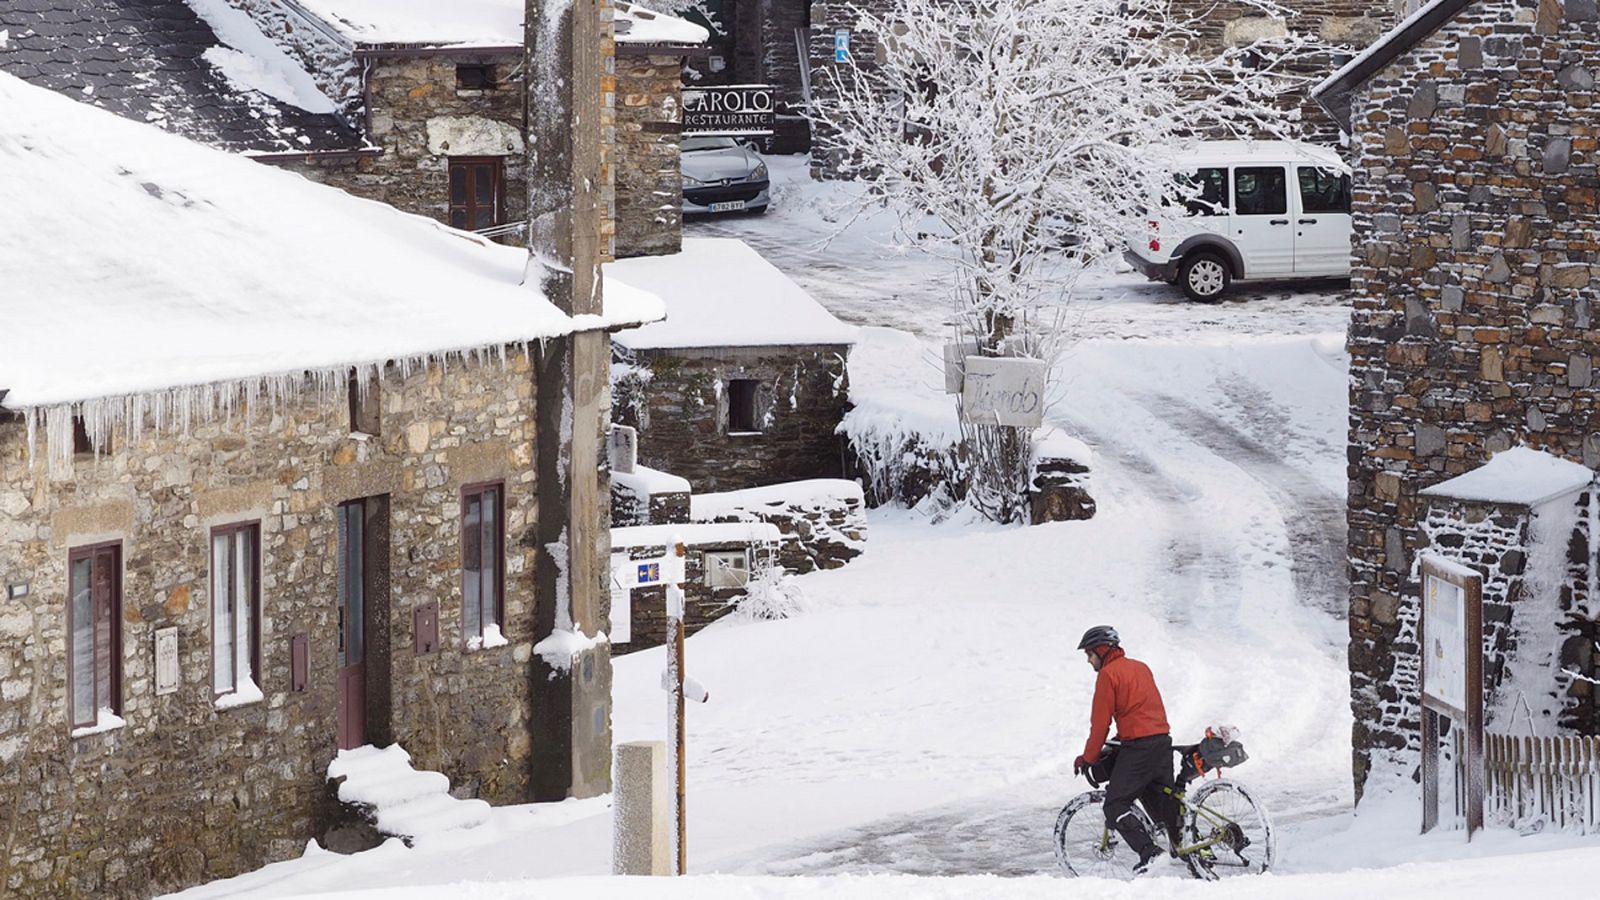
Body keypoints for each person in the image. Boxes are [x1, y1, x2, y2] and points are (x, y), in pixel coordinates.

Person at [1072, 625, 1178, 875]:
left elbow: (1100, 724)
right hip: (1162, 742)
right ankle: (1192, 851)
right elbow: (1142, 709)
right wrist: (1120, 738)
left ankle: (1150, 854)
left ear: (1101, 650)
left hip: (1139, 748)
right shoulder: (1141, 667)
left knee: (1115, 803)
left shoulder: (1108, 675)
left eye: (1089, 654)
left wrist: (1088, 758)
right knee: (1163, 804)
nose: (1088, 660)